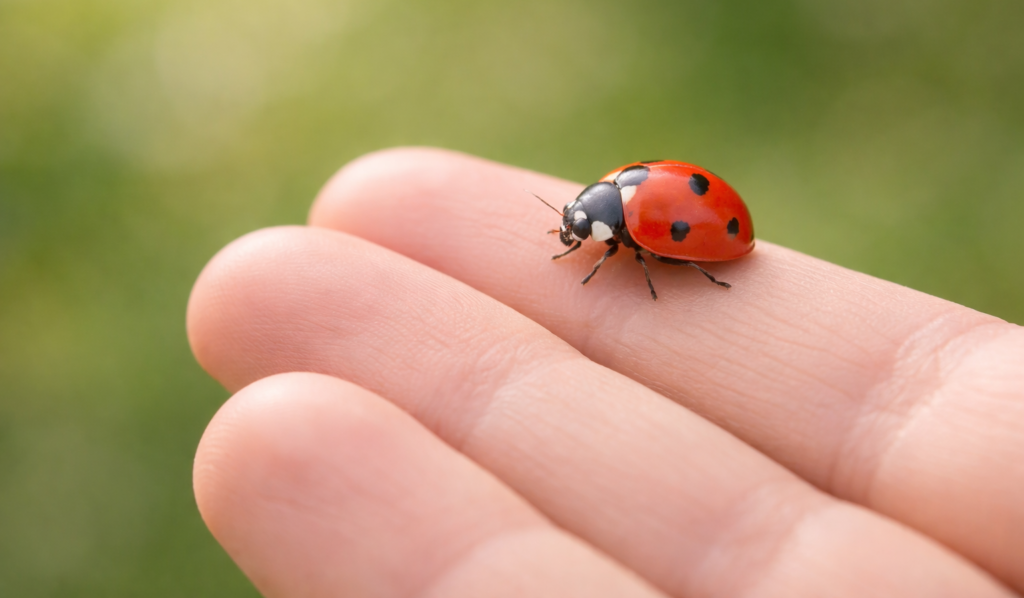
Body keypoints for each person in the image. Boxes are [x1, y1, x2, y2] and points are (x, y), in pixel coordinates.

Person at [187, 148, 1024, 597]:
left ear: (599, 226)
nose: (577, 240)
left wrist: (639, 262)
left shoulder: (628, 228)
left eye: (580, 234)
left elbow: (646, 239)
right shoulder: (611, 211)